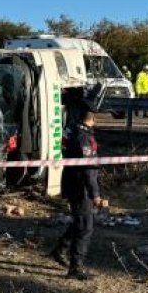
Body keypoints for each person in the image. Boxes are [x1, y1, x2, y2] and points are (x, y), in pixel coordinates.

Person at [51, 102, 101, 281]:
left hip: (72, 183)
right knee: (85, 227)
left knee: (80, 221)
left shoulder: (72, 129)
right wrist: (95, 194)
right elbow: (88, 169)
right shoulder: (83, 138)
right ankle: (75, 267)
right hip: (81, 188)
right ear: (92, 117)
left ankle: (60, 250)